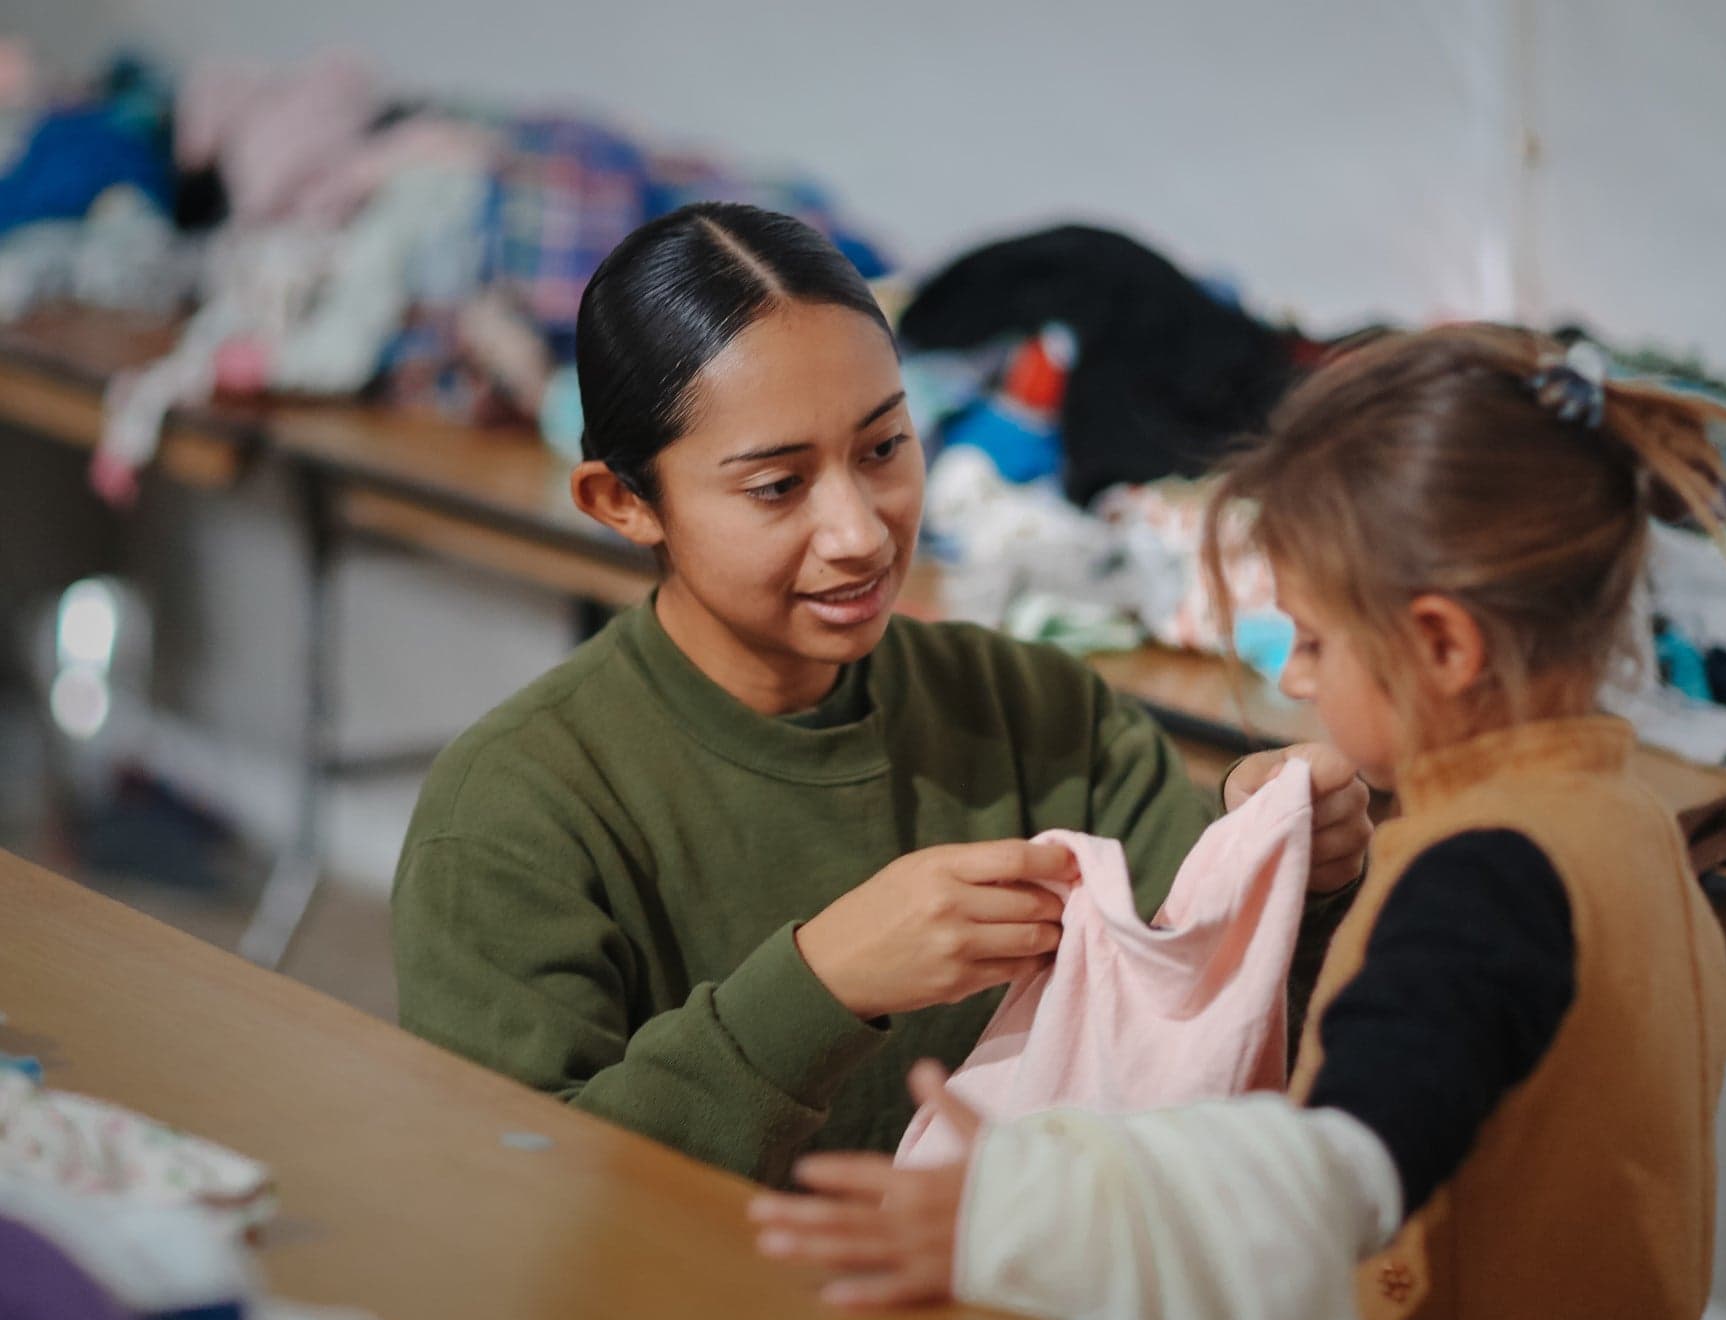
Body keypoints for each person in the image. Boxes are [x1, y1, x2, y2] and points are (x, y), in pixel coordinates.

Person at [751, 324, 1726, 1320]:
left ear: (1444, 645)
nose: (1297, 684)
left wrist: (1014, 1215)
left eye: (1311, 641)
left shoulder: (1481, 879)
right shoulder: (1628, 822)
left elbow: (1334, 1176)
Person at [390, 202, 1372, 1186]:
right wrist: (820, 985)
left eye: (882, 449)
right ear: (624, 503)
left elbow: (1209, 1048)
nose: (859, 531)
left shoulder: (1037, 714)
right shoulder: (515, 813)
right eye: (776, 485)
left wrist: (1287, 876)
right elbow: (519, 1198)